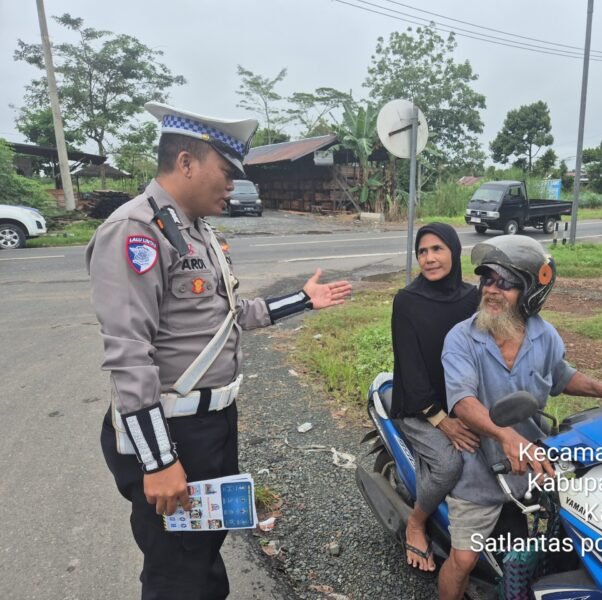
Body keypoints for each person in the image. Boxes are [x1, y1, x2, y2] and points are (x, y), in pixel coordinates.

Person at [86, 101, 351, 599]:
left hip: (210, 427)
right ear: (186, 162)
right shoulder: (137, 231)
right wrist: (159, 461)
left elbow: (230, 315)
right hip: (172, 432)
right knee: (177, 574)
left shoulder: (197, 232)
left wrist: (302, 300)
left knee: (202, 554)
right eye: (227, 172)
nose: (233, 185)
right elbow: (128, 355)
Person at [437, 235, 602, 600]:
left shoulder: (543, 335)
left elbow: (561, 375)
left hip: (537, 460)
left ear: (530, 292)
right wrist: (506, 437)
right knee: (464, 560)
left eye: (506, 283)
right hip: (481, 468)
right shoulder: (461, 339)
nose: (492, 290)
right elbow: (463, 401)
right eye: (487, 280)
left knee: (577, 534)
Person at [390, 223, 481, 572]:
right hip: (419, 408)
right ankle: (417, 522)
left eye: (437, 249)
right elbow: (411, 372)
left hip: (465, 401)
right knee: (449, 466)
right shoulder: (408, 301)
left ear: (455, 252)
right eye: (422, 251)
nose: (429, 258)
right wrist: (444, 422)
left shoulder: (472, 297)